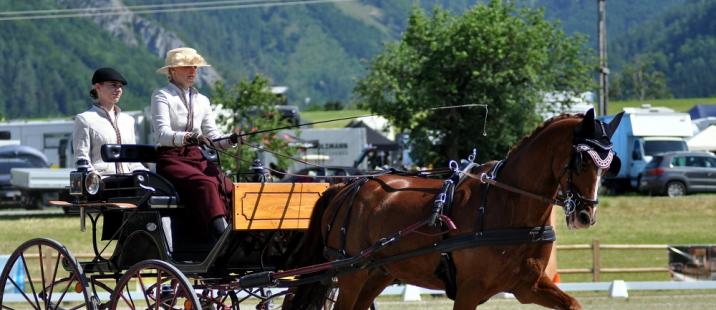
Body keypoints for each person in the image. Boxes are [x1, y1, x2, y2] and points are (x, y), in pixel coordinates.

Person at [151, 47, 240, 240]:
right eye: (186, 67)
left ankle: (241, 235)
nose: (193, 71)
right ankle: (221, 237)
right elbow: (162, 134)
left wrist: (231, 140)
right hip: (171, 159)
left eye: (195, 67)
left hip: (197, 157)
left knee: (229, 186)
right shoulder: (162, 96)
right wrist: (190, 137)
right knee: (206, 184)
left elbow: (213, 137)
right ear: (172, 71)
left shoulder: (203, 100)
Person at [73, 67, 147, 175]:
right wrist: (94, 179)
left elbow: (132, 159)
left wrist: (144, 173)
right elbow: (82, 158)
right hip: (101, 183)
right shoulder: (84, 119)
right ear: (98, 87)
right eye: (113, 85)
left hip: (128, 183)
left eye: (120, 86)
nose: (118, 90)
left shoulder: (128, 121)